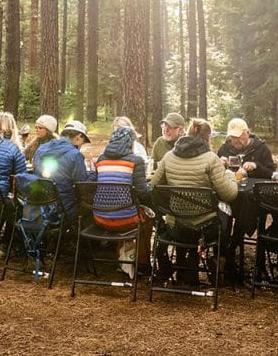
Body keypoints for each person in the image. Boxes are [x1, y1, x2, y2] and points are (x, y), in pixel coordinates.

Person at [150, 117, 237, 284]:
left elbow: (154, 186)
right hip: (203, 226)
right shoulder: (211, 159)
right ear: (207, 138)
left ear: (187, 134)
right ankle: (220, 262)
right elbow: (230, 195)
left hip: (176, 223)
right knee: (226, 214)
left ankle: (184, 266)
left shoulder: (169, 157)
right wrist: (230, 175)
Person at [94, 125, 153, 275]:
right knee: (148, 217)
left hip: (100, 218)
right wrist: (151, 188)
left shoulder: (101, 160)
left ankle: (121, 260)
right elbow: (142, 192)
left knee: (123, 208)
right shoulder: (136, 161)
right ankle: (142, 264)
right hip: (127, 222)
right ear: (130, 143)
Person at [26, 120, 91, 218]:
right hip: (62, 208)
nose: (81, 146)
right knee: (89, 209)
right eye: (83, 142)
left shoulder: (40, 149)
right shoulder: (75, 154)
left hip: (40, 205)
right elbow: (82, 185)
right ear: (78, 137)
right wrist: (94, 174)